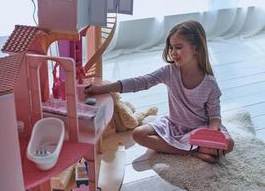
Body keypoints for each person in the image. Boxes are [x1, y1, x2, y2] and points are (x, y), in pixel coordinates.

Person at [85, 20, 234, 163]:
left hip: (199, 130)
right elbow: (141, 82)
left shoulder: (210, 83)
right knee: (138, 134)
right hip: (173, 125)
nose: (173, 52)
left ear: (196, 48)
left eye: (179, 47)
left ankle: (194, 147)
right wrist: (102, 89)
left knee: (228, 144)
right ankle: (193, 152)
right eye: (171, 48)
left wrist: (211, 135)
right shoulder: (169, 72)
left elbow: (215, 117)